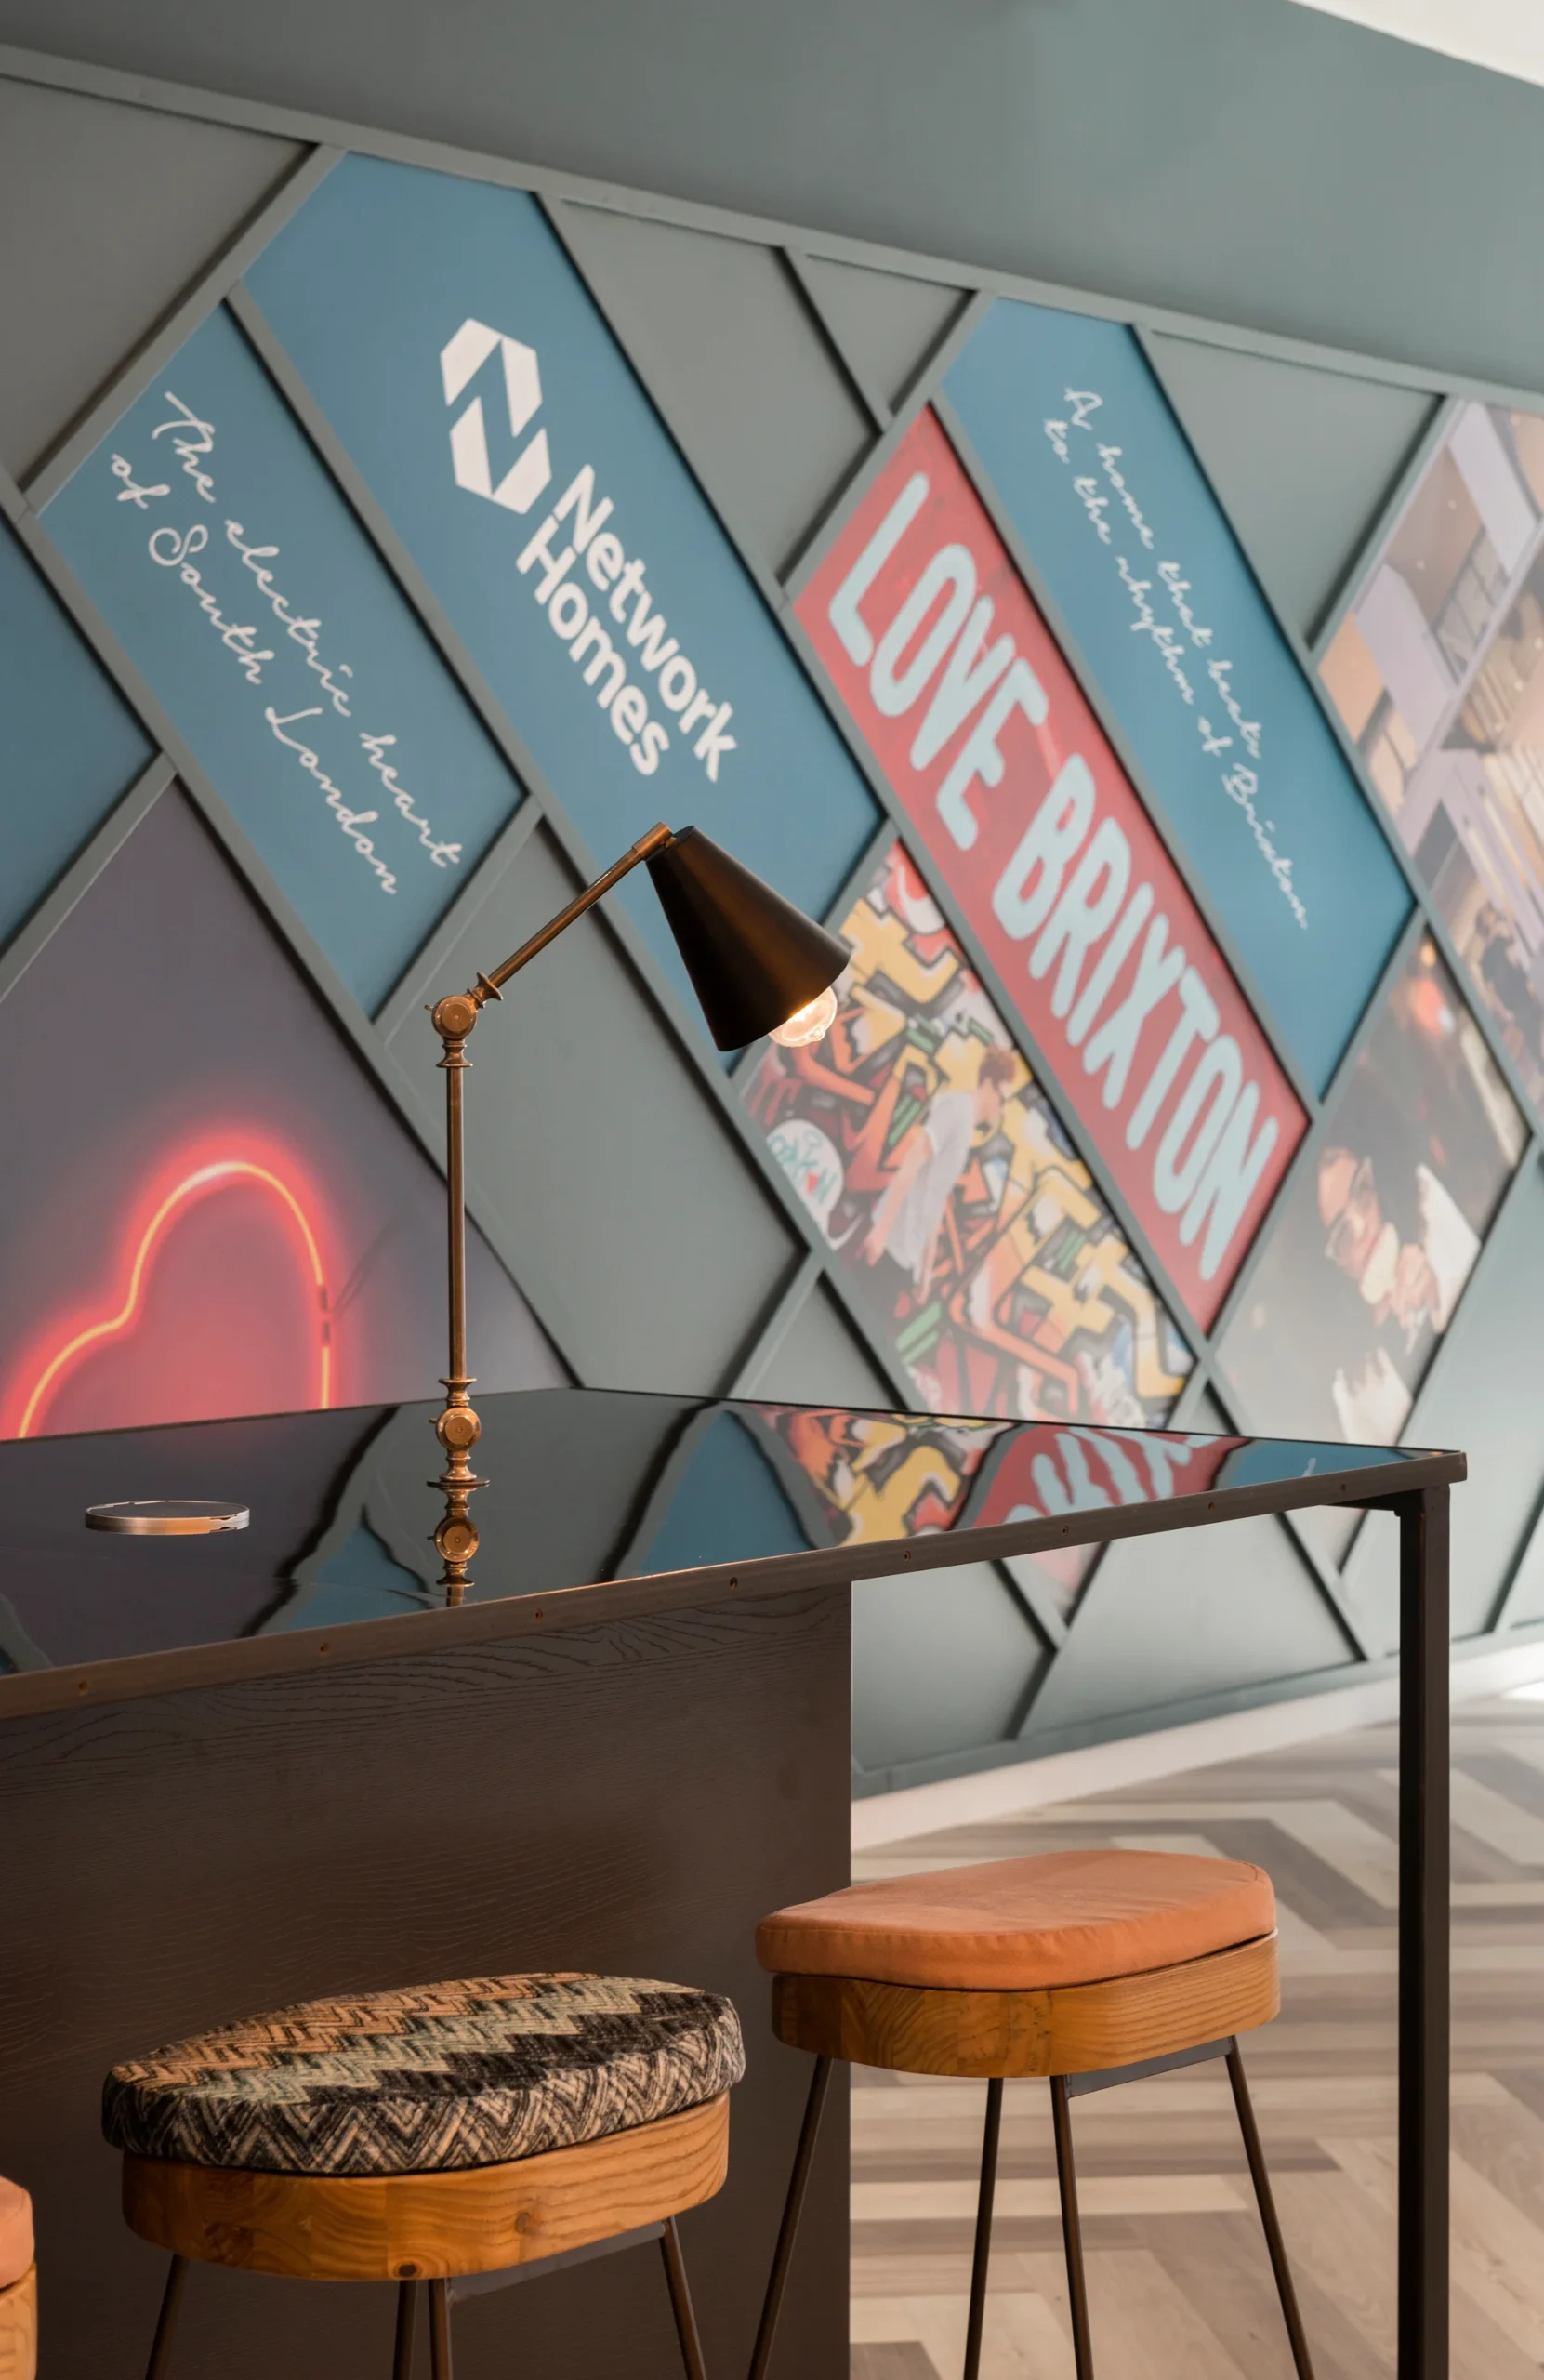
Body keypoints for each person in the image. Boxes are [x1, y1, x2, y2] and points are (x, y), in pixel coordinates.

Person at [862, 1045, 1016, 1306]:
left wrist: (925, 1270)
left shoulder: (966, 1129)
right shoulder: (956, 1109)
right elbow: (913, 1160)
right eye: (1003, 1099)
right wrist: (882, 1230)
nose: (1002, 1110)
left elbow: (936, 1198)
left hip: (904, 1256)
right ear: (988, 1084)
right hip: (888, 1246)